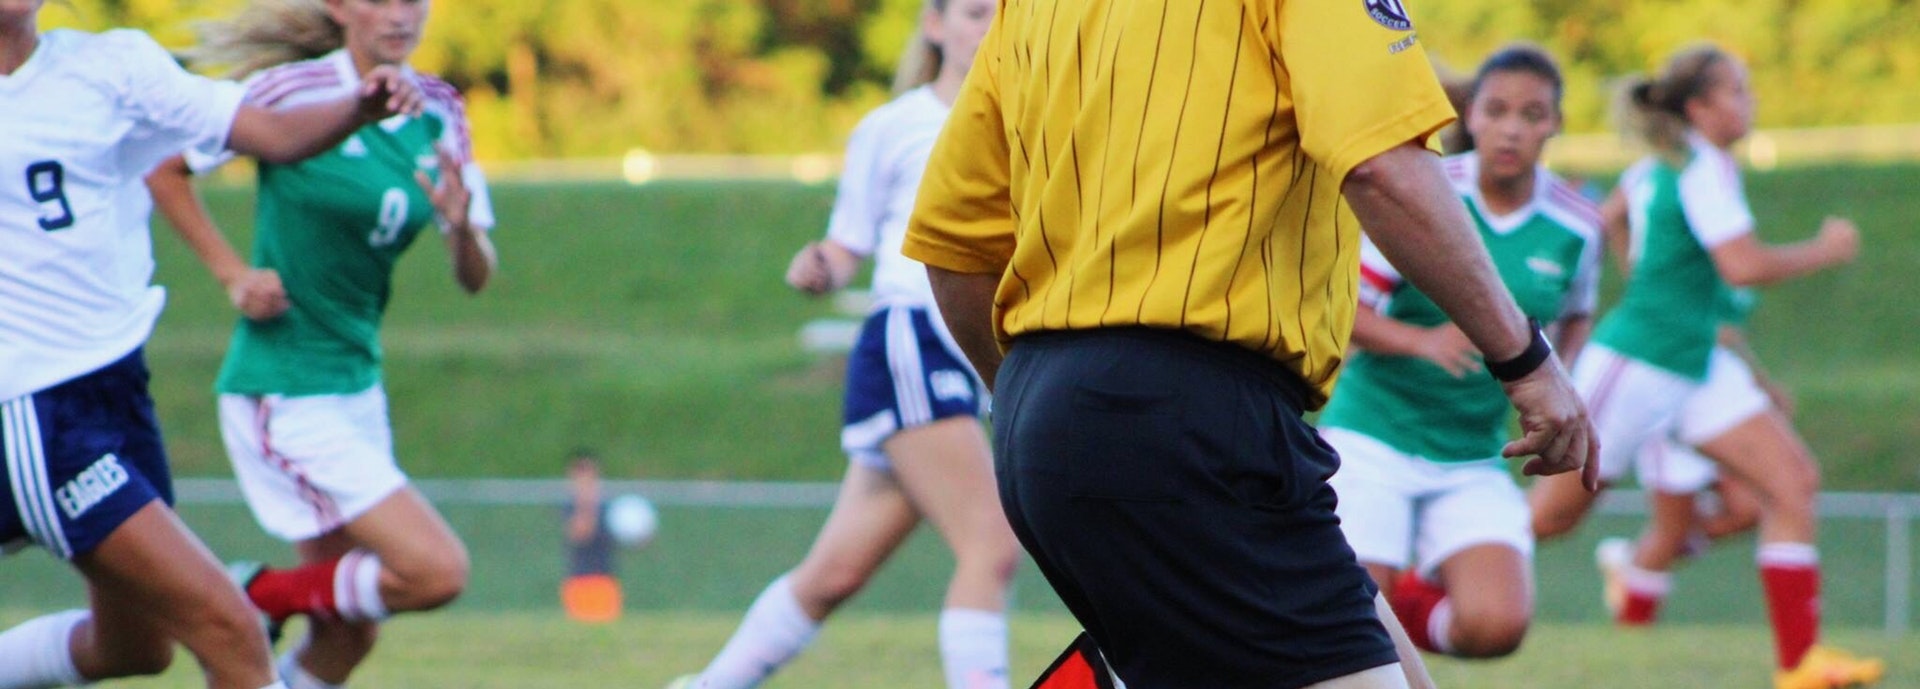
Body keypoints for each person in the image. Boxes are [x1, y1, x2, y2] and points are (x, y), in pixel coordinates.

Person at [902, 1, 1598, 687]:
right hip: (1191, 417)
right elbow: (1382, 164)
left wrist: (1061, 416)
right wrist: (1526, 359)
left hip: (1054, 416)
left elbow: (953, 242)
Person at [0, 1, 419, 687]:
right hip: (37, 412)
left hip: (119, 394)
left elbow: (275, 134)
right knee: (231, 628)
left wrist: (357, 109)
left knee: (136, 648)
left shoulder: (112, 65)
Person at [143, 1, 497, 687]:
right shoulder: (294, 90)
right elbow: (165, 169)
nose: (401, 14)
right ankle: (253, 593)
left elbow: (476, 277)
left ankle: (253, 608)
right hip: (284, 385)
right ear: (339, 7)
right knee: (434, 570)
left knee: (349, 634)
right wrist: (233, 274)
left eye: (414, 0)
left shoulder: (441, 108)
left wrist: (460, 230)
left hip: (355, 385)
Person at [668, 1, 1021, 687]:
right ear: (935, 25)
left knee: (832, 575)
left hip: (966, 353)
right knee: (993, 543)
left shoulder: (1032, 116)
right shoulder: (894, 126)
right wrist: (821, 265)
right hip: (912, 339)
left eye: (1002, 14)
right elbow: (848, 242)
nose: (988, 27)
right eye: (975, 12)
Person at [1524, 44, 1882, 689]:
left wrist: (1650, 270)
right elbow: (1741, 266)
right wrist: (1825, 250)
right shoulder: (1701, 166)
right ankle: (1414, 599)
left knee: (1791, 482)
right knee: (1548, 519)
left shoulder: (1666, 165)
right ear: (1699, 107)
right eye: (1738, 91)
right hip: (1640, 358)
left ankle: (1801, 666)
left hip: (1695, 361)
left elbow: (1613, 219)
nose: (1751, 102)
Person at [1317, 45, 1600, 660]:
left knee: (1497, 628)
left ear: (1554, 123)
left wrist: (1560, 378)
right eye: (1497, 111)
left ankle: (1397, 621)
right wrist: (1423, 340)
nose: (1513, 129)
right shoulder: (1425, 192)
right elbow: (1343, 306)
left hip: (1473, 451)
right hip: (1374, 436)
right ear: (1470, 116)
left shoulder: (1579, 224)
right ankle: (1378, 630)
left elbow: (1577, 310)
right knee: (1355, 621)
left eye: (1532, 114)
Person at [561, 450, 623, 623]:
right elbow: (580, 534)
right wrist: (586, 501)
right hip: (580, 580)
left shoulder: (608, 506)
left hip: (605, 579)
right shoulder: (570, 505)